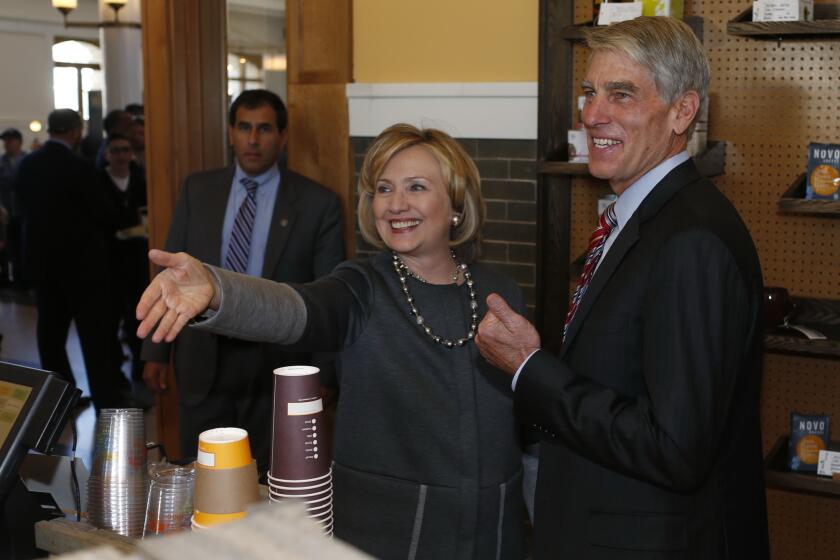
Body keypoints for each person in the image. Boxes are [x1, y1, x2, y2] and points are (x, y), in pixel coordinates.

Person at [136, 124, 533, 559]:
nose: (396, 204)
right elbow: (294, 309)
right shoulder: (360, 287)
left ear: (456, 203)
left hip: (494, 533)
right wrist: (218, 289)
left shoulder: (501, 293)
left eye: (416, 187)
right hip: (386, 534)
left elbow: (529, 423)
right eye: (384, 189)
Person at [474, 16, 769, 559]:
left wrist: (529, 367)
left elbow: (675, 448)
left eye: (622, 94)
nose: (592, 113)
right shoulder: (642, 220)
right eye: (590, 92)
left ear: (683, 111)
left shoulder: (691, 239)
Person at [140, 89, 345, 476]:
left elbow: (329, 297)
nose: (253, 140)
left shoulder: (317, 204)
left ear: (282, 137)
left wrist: (326, 373)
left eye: (264, 129)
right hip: (202, 357)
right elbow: (171, 275)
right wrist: (155, 351)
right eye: (244, 128)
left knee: (270, 478)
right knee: (200, 474)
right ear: (231, 133)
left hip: (276, 364)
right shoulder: (197, 190)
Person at [15, 109, 129, 410]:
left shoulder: (27, 165)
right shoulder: (80, 167)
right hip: (83, 269)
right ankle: (107, 401)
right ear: (76, 132)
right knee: (95, 339)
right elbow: (103, 213)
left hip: (44, 266)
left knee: (50, 337)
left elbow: (19, 208)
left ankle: (58, 400)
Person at [101, 133, 148, 382]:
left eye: (125, 150)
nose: (121, 155)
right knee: (110, 320)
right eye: (116, 150)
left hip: (137, 261)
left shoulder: (140, 182)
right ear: (108, 154)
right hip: (109, 262)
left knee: (137, 319)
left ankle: (139, 373)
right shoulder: (98, 182)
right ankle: (114, 373)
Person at [0, 128, 26, 287]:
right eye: (5, 141)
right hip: (6, 213)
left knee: (25, 246)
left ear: (19, 142)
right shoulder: (1, 162)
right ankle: (13, 279)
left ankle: (25, 279)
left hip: (24, 212)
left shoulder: (28, 160)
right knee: (9, 248)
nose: (7, 144)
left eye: (11, 140)